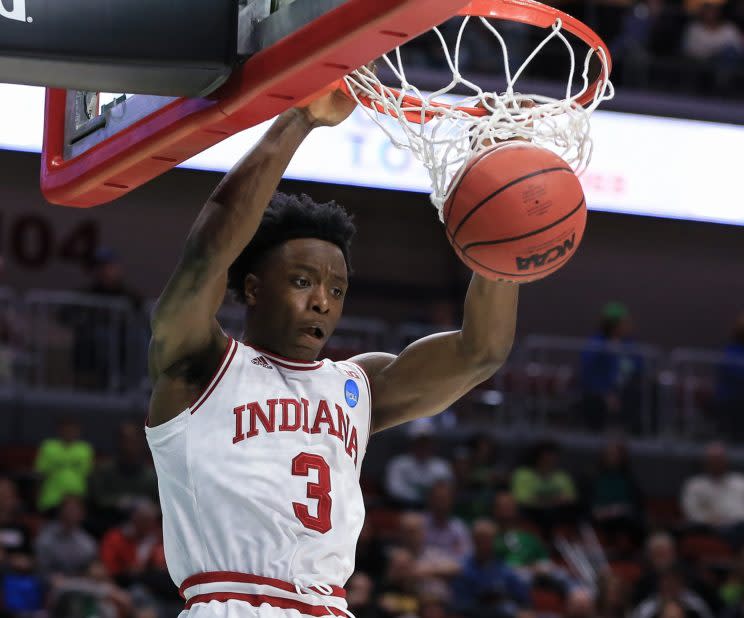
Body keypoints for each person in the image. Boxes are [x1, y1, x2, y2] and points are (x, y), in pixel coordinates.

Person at [144, 86, 519, 617]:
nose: (322, 301)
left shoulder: (357, 386)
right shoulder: (201, 366)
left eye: (337, 290)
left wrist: (500, 239)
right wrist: (297, 119)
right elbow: (207, 256)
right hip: (231, 601)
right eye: (302, 281)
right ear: (252, 288)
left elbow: (481, 352)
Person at [580, 302, 644, 433]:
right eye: (625, 322)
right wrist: (605, 393)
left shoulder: (629, 344)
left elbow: (639, 367)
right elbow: (588, 374)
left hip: (625, 393)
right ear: (614, 325)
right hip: (600, 395)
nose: (629, 326)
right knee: (595, 403)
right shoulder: (596, 346)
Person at [681, 442, 744, 548]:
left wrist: (731, 520)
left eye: (719, 459)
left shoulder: (740, 482)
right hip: (708, 527)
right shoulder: (695, 485)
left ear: (726, 461)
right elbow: (691, 511)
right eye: (713, 460)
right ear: (706, 462)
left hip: (737, 526)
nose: (717, 463)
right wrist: (710, 520)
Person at [385, 420, 454, 509]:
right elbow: (393, 489)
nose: (423, 445)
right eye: (420, 441)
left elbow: (447, 491)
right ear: (412, 442)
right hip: (403, 508)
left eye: (426, 442)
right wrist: (421, 495)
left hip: (433, 510)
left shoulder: (442, 466)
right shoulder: (398, 463)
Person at [34, 417, 94, 512]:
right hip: (51, 498)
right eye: (66, 430)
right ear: (59, 430)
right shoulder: (48, 446)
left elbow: (88, 474)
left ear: (78, 431)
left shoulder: (85, 449)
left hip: (77, 497)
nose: (69, 432)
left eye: (72, 430)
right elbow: (40, 473)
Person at [35, 494, 98, 576]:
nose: (71, 513)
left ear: (82, 514)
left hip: (80, 580)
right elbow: (40, 566)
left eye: (76, 509)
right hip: (52, 580)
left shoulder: (87, 541)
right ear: (60, 511)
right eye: (69, 509)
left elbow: (91, 566)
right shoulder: (46, 537)